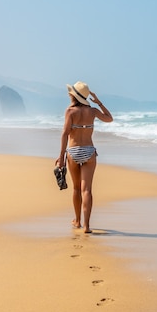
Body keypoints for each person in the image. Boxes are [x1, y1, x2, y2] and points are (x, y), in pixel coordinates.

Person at [56, 81, 113, 233]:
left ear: (73, 96)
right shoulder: (93, 111)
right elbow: (109, 118)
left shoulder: (70, 111)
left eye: (70, 93)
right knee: (86, 190)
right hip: (89, 151)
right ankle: (87, 226)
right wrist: (98, 102)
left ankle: (77, 221)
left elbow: (65, 133)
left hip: (73, 152)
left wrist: (61, 156)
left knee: (76, 189)